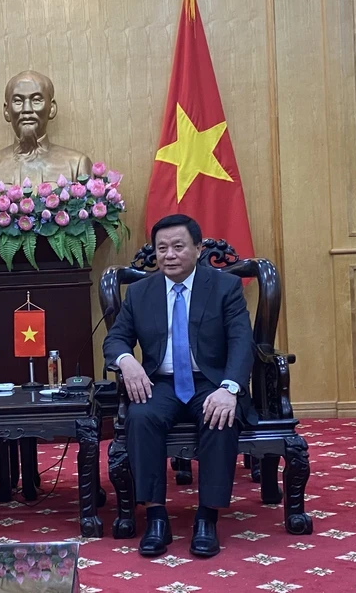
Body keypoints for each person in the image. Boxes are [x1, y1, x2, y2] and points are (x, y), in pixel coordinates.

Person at [102, 214, 257, 558]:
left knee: (221, 417)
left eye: (177, 247)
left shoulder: (224, 287)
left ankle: (207, 518)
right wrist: (127, 362)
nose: (169, 255)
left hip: (211, 381)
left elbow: (241, 342)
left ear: (198, 249)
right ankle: (157, 516)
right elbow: (116, 340)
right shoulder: (141, 293)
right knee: (140, 417)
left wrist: (230, 387)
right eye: (162, 249)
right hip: (162, 382)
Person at [0, 70, 93, 185]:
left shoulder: (77, 165)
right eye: (18, 101)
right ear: (6, 111)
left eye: (36, 100)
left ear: (52, 108)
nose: (27, 109)